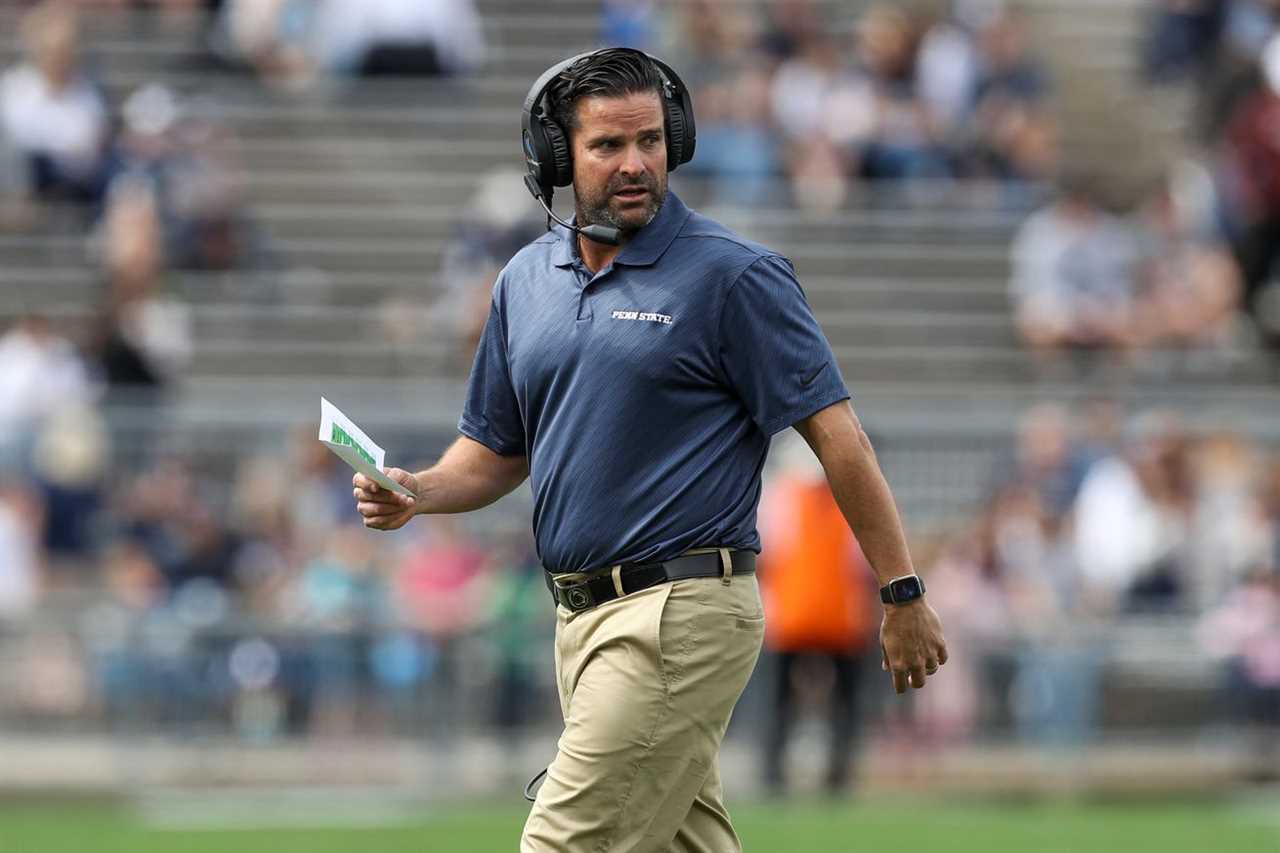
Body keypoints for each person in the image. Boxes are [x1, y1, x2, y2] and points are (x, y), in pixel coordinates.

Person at [351, 47, 948, 853]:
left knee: (560, 845)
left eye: (651, 141)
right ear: (556, 156)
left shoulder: (735, 277)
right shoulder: (524, 281)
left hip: (679, 615)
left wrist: (901, 590)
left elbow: (838, 436)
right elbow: (495, 451)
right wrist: (417, 489)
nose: (635, 163)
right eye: (606, 146)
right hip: (580, 621)